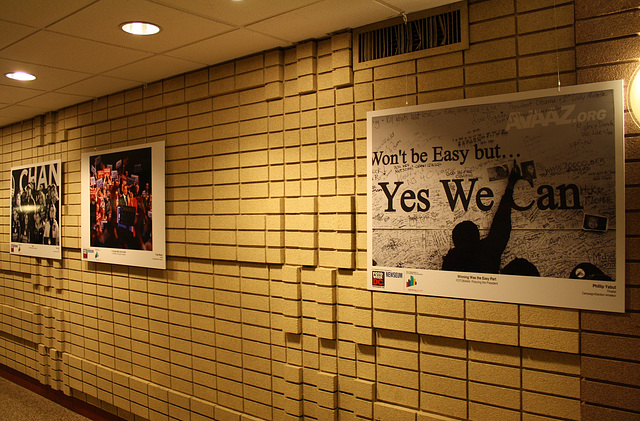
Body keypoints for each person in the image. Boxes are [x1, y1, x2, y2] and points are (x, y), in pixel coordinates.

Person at [442, 161, 521, 274]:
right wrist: (510, 186)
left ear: (455, 240)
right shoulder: (488, 252)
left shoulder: (451, 261)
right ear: (476, 237)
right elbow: (502, 223)